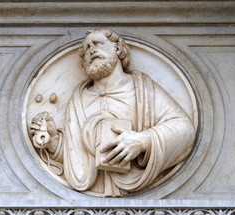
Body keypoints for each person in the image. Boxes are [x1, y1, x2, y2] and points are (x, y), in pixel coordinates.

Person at [30, 29, 196, 197]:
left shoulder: (143, 89)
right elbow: (79, 160)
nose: (92, 50)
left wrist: (143, 141)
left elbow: (184, 129)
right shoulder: (79, 99)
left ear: (117, 48)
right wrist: (54, 142)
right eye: (87, 48)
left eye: (97, 44)